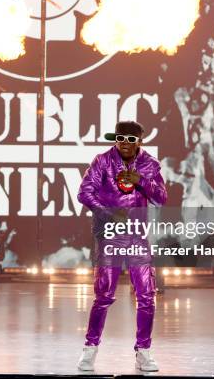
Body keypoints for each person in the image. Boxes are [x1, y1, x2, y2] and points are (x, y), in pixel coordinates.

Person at [76, 120, 167, 371]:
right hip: (110, 235)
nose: (125, 144)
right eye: (121, 138)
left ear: (140, 141)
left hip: (137, 236)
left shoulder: (149, 164)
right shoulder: (102, 161)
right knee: (103, 295)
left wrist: (141, 181)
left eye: (131, 139)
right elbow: (84, 192)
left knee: (147, 296)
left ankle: (144, 351)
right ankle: (90, 350)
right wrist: (109, 213)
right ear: (115, 139)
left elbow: (161, 198)